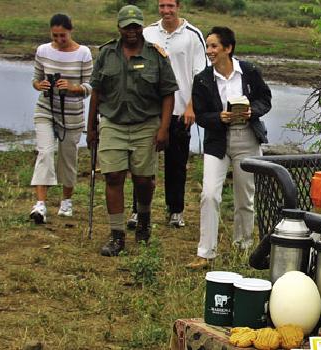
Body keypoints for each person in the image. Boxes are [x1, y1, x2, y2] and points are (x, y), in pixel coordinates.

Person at [87, 5, 178, 257]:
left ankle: (144, 219)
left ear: (142, 26)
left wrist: (164, 128)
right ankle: (117, 235)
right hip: (113, 123)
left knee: (143, 179)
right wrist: (90, 127)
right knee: (113, 176)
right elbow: (96, 92)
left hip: (146, 124)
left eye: (136, 26)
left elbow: (168, 93)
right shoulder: (106, 54)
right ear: (119, 27)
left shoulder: (156, 55)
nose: (132, 31)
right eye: (127, 26)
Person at [186, 26, 272, 269]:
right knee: (209, 194)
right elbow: (201, 115)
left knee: (245, 197)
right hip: (217, 141)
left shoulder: (249, 71)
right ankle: (205, 252)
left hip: (247, 138)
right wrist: (218, 118)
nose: (209, 51)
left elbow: (265, 99)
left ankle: (242, 247)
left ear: (228, 48)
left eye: (214, 46)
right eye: (208, 47)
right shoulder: (202, 79)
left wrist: (251, 111)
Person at [132, 0, 207, 229]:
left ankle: (176, 210)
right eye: (162, 6)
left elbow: (200, 74)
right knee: (142, 164)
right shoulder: (148, 33)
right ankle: (138, 211)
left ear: (178, 6)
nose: (166, 11)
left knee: (176, 163)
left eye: (170, 6)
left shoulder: (193, 35)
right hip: (149, 110)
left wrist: (192, 106)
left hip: (180, 109)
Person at [29, 13, 93, 224]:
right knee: (45, 152)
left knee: (68, 158)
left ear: (70, 31)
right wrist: (41, 85)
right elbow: (35, 79)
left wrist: (72, 88)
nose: (58, 40)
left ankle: (66, 201)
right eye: (55, 36)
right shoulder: (43, 50)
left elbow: (89, 87)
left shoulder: (83, 53)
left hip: (72, 115)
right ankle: (40, 205)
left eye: (62, 36)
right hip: (45, 108)